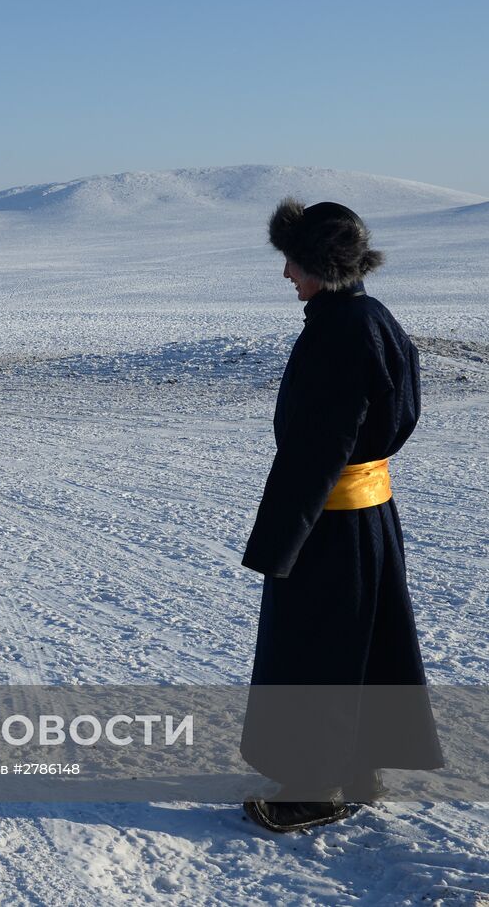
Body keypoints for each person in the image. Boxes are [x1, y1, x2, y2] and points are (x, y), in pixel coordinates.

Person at [239, 199, 442, 832]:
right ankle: (359, 767)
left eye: (293, 262)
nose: (286, 275)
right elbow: (400, 412)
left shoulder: (337, 331)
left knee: (315, 645)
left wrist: (282, 536)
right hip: (370, 510)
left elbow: (318, 446)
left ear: (322, 264)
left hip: (327, 515)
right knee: (363, 640)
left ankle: (312, 787)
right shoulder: (372, 317)